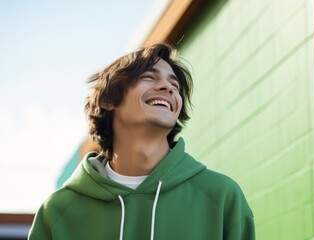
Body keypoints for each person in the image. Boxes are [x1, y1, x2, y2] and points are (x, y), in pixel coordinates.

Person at [28, 43, 255, 240]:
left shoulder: (222, 196)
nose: (168, 88)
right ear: (108, 100)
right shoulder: (56, 212)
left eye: (174, 86)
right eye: (148, 77)